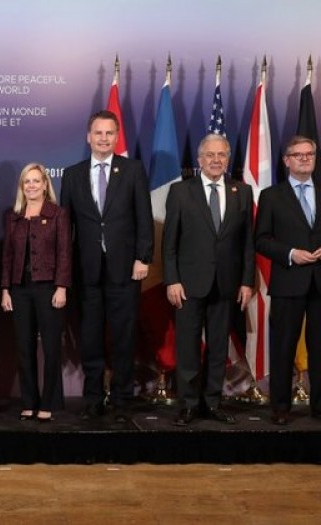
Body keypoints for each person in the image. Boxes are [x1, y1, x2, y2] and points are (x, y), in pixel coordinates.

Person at [60, 110, 153, 421]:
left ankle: (123, 397)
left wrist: (143, 257)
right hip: (86, 270)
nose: (103, 139)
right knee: (89, 335)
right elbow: (66, 227)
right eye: (98, 133)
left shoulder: (133, 170)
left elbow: (144, 217)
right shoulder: (72, 174)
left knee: (124, 335)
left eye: (109, 133)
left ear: (116, 137)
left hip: (125, 269)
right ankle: (93, 396)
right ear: (89, 137)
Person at [162, 134, 254, 426]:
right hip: (188, 284)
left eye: (222, 155)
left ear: (228, 159)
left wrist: (247, 281)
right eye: (210, 155)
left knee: (218, 345)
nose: (216, 160)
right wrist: (172, 280)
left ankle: (212, 402)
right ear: (200, 160)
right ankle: (188, 404)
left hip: (227, 283)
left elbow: (247, 244)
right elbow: (169, 243)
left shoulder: (243, 191)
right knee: (188, 345)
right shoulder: (180, 191)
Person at [255, 135, 321, 425]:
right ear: (286, 160)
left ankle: (318, 406)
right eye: (298, 155)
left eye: (309, 154)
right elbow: (261, 240)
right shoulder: (272, 196)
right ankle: (280, 407)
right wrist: (292, 253)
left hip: (320, 282)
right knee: (283, 347)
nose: (305, 159)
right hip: (288, 280)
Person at [0, 163, 71, 422]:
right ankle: (29, 401)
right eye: (26, 182)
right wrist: (5, 289)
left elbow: (65, 253)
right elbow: (6, 255)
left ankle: (49, 402)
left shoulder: (58, 214)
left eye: (35, 181)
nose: (31, 185)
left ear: (45, 184)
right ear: (22, 187)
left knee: (51, 348)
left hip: (49, 288)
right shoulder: (13, 216)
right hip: (19, 289)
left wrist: (61, 287)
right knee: (24, 347)